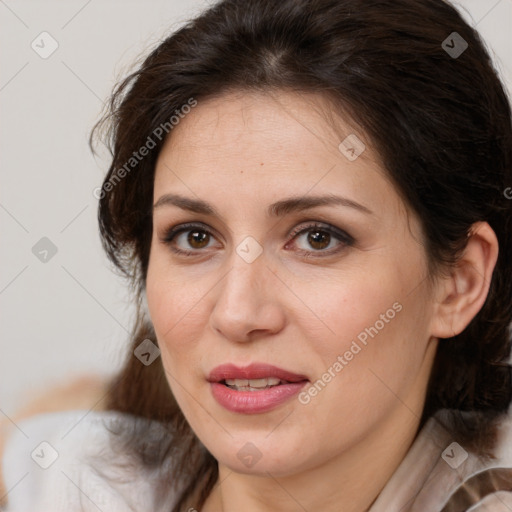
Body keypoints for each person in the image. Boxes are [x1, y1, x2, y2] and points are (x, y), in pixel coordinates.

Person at [2, 0, 512, 510]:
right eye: (194, 237)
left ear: (459, 281)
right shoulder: (61, 485)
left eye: (318, 238)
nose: (237, 314)